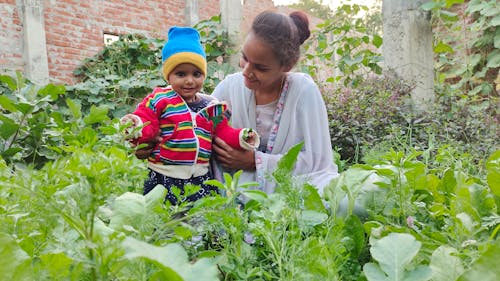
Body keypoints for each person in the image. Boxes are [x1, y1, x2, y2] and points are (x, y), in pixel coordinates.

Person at [121, 26, 259, 205]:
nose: (189, 80)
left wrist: (241, 137)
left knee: (199, 221)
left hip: (200, 179)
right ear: (168, 76)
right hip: (164, 177)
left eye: (196, 74)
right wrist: (135, 126)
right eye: (181, 74)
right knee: (165, 223)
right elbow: (147, 123)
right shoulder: (160, 99)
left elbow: (223, 132)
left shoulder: (211, 105)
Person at [211, 10, 338, 196]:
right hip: (233, 181)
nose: (246, 71)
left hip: (288, 183)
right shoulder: (231, 86)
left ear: (287, 66)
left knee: (329, 194)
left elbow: (317, 161)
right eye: (245, 57)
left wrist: (256, 162)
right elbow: (196, 122)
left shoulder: (304, 91)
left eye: (260, 68)